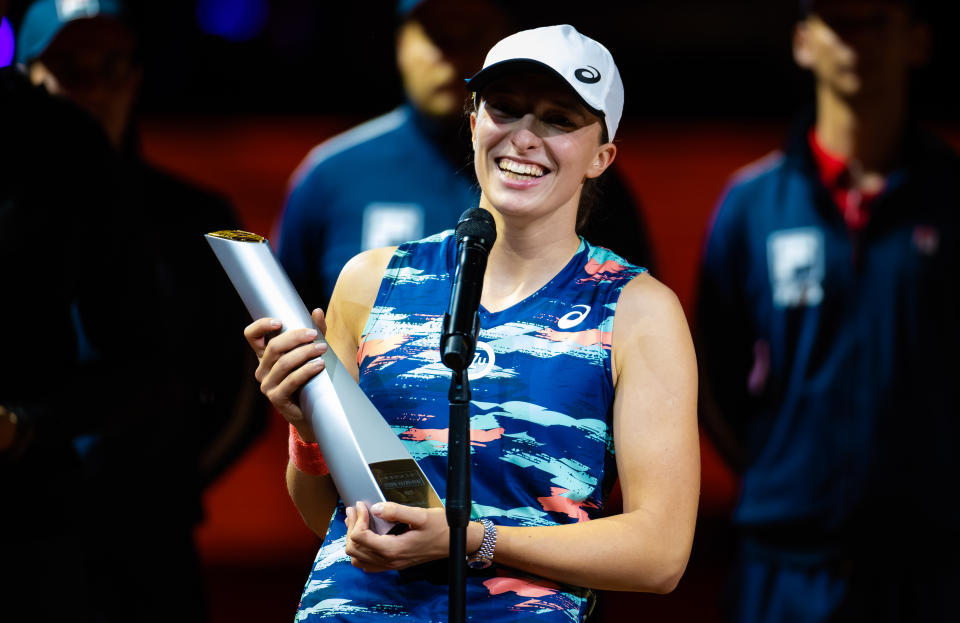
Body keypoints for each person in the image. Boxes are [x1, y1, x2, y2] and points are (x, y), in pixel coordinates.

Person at [246, 24, 699, 622]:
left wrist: (471, 541)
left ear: (601, 156)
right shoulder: (370, 282)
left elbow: (659, 555)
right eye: (505, 109)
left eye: (560, 119)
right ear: (474, 120)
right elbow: (327, 517)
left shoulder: (638, 310)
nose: (526, 137)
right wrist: (307, 433)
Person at [697, 1, 959, 621]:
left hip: (935, 567)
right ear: (804, 42)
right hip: (784, 569)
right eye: (840, 22)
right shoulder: (750, 204)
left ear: (918, 40)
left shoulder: (954, 198)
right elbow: (712, 378)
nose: (856, 41)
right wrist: (785, 470)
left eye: (877, 20)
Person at [1, 1, 262, 620]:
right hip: (28, 514)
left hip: (145, 534)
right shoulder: (17, 201)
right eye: (70, 67)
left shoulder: (199, 218)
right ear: (30, 72)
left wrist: (167, 484)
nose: (93, 88)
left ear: (137, 74)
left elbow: (240, 387)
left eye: (110, 66)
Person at [277, 0, 655, 312]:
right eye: (436, 35)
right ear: (399, 42)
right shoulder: (331, 175)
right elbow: (291, 330)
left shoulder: (583, 182)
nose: (452, 54)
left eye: (471, 33)